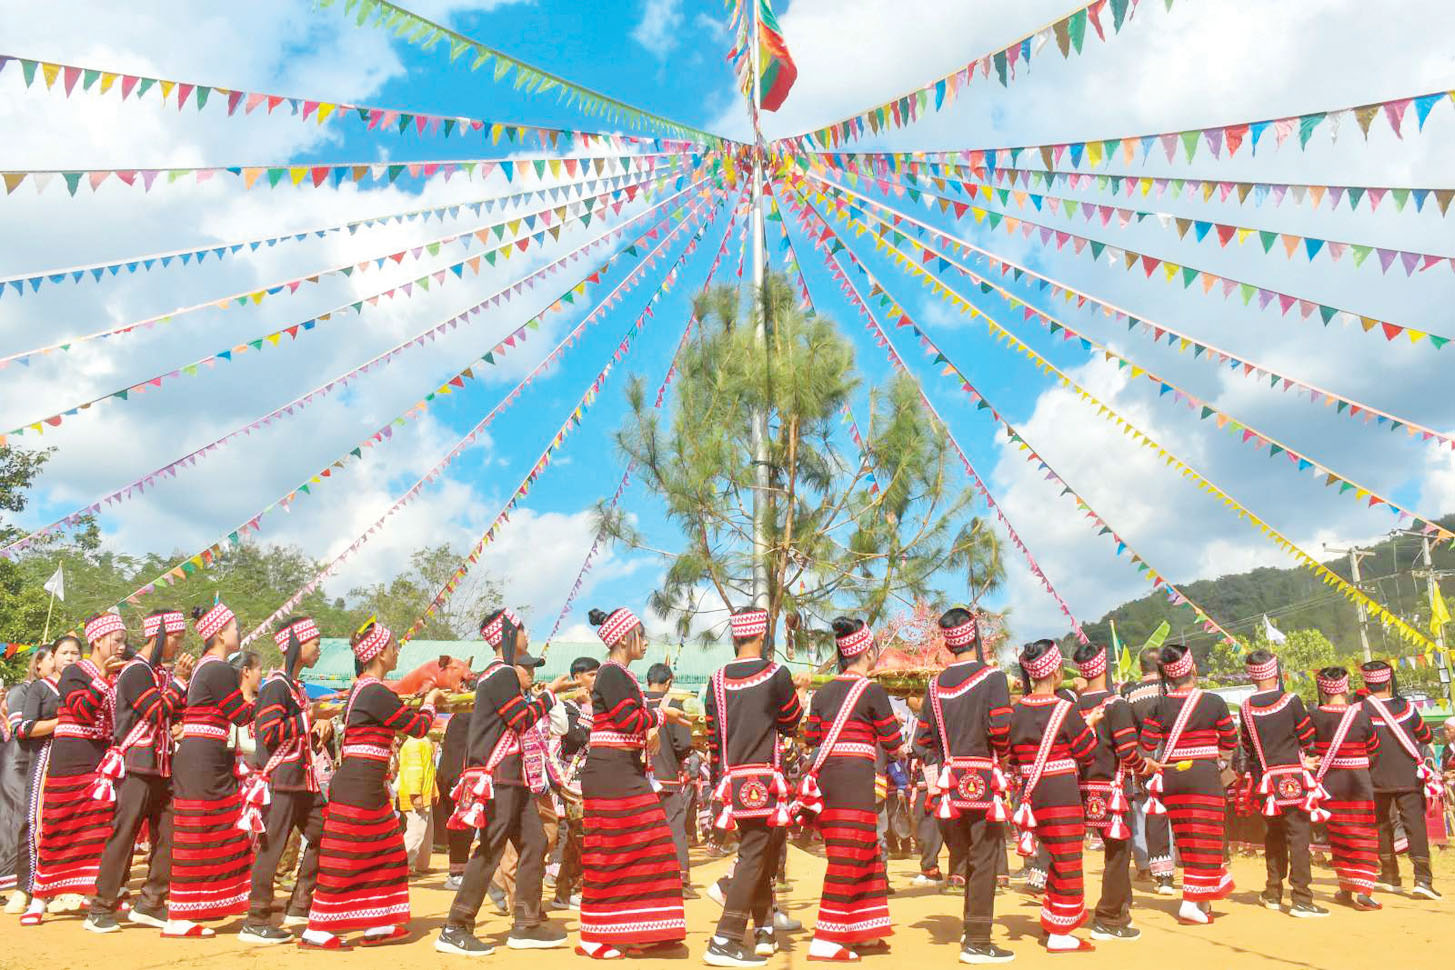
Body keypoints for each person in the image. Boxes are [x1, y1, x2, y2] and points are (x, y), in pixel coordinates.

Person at [302, 619, 443, 949]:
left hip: (364, 784)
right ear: (379, 654)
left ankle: (379, 922)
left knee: (387, 852)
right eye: (393, 647)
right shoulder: (375, 692)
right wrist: (431, 701)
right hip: (359, 786)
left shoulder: (366, 690)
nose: (397, 652)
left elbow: (396, 713)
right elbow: (417, 727)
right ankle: (318, 928)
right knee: (345, 856)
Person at [436, 608, 569, 956]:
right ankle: (455, 925)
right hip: (500, 775)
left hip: (512, 775)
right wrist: (550, 695)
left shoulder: (501, 675)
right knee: (491, 848)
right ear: (509, 635)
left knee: (535, 842)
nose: (527, 637)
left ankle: (526, 922)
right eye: (522, 631)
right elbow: (520, 719)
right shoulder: (502, 673)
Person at [578, 606, 689, 960]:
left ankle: (649, 929)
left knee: (652, 846)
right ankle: (594, 934)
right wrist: (662, 715)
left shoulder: (620, 675)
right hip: (611, 775)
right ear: (625, 638)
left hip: (622, 771)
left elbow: (629, 721)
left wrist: (650, 727)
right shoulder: (611, 673)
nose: (646, 642)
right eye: (642, 635)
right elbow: (628, 720)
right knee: (612, 851)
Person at [703, 607, 802, 968]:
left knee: (757, 850)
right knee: (755, 854)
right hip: (764, 778)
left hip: (732, 780)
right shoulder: (776, 674)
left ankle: (763, 930)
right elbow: (791, 721)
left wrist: (719, 782)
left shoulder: (717, 679)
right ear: (761, 635)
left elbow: (714, 737)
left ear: (735, 636)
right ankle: (725, 938)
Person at [798, 617, 900, 961]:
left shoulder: (824, 692)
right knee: (850, 855)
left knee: (864, 851)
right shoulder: (871, 691)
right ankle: (826, 939)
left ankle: (863, 930)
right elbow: (893, 741)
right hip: (855, 781)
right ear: (868, 652)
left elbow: (811, 737)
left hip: (830, 780)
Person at [915, 608, 1014, 964]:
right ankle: (977, 940)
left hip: (949, 785)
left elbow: (923, 739)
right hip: (983, 781)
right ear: (975, 637)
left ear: (948, 643)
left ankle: (973, 928)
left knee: (966, 856)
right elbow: (1001, 730)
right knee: (984, 858)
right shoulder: (992, 678)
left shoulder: (934, 686)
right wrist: (1002, 758)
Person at [85, 609, 193, 933]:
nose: (178, 645)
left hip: (161, 766)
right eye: (175, 638)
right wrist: (181, 681)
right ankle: (100, 908)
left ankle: (151, 902)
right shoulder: (135, 671)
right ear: (158, 636)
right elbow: (156, 711)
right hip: (136, 765)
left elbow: (175, 711)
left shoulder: (159, 673)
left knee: (170, 834)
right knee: (124, 836)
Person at [163, 602, 258, 938]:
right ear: (219, 633)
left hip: (205, 757)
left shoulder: (208, 667)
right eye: (235, 628)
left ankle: (202, 904)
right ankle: (180, 914)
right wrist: (274, 701)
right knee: (199, 831)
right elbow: (241, 714)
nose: (239, 633)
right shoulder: (217, 669)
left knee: (215, 828)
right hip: (203, 760)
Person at [26, 614, 126, 926]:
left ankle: (91, 893)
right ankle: (39, 898)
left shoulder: (118, 675)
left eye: (124, 641)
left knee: (97, 832)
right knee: (58, 828)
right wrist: (102, 678)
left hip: (101, 762)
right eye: (117, 640)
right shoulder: (74, 672)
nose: (122, 647)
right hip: (70, 761)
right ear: (98, 641)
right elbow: (82, 710)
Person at [239, 617, 328, 944]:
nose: (319, 649)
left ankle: (300, 902)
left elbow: (293, 732)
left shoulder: (295, 688)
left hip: (303, 782)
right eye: (315, 643)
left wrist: (315, 728)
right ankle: (256, 919)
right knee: (271, 849)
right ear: (296, 645)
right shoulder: (276, 687)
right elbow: (269, 733)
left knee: (327, 834)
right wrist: (310, 717)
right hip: (281, 781)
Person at [1007, 641, 1098, 954]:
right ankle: (1061, 931)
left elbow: (1010, 756)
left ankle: (1053, 919)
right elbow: (1087, 752)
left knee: (1049, 856)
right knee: (1066, 859)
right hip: (1061, 792)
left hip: (1031, 794)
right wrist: (1090, 725)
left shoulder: (1016, 711)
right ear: (1057, 671)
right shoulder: (1065, 709)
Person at [1138, 643, 1237, 925]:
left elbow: (1146, 745)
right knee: (1206, 840)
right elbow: (1230, 740)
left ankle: (1202, 900)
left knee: (1187, 839)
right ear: (1192, 668)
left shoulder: (1159, 705)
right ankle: (1191, 902)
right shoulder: (1213, 702)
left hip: (1174, 778)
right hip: (1203, 775)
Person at [1238, 649, 1325, 918]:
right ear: (1275, 672)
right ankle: (1301, 898)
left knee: (1273, 835)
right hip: (1294, 777)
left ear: (1252, 675)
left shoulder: (1246, 707)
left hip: (1266, 781)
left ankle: (1273, 892)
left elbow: (1247, 747)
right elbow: (1308, 737)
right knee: (1298, 837)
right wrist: (1307, 757)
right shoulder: (1291, 701)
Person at [1070, 642, 1147, 941]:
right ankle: (1110, 918)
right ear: (1104, 667)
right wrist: (1145, 766)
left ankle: (1117, 908)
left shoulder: (1073, 707)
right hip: (1112, 791)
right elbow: (1127, 751)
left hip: (1078, 789)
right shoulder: (1116, 704)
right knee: (1118, 854)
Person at [1359, 660, 1440, 899]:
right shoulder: (1406, 708)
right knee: (1414, 825)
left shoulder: (1360, 710)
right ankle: (1423, 880)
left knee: (1381, 824)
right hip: (1408, 777)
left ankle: (1390, 875)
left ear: (1366, 684)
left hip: (1374, 776)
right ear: (1388, 682)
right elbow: (1425, 735)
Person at [10, 639, 78, 918]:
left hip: (76, 761)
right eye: (64, 653)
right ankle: (25, 887)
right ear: (53, 656)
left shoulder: (84, 687)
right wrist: (63, 720)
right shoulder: (41, 688)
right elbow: (25, 728)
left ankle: (63, 887)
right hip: (45, 759)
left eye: (75, 653)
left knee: (69, 822)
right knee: (35, 820)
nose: (70, 658)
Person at [1307, 666, 1382, 910]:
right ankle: (1364, 891)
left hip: (1329, 783)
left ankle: (1346, 888)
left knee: (1340, 834)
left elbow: (1307, 746)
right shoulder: (1361, 716)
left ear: (1323, 690)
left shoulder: (1314, 717)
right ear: (1346, 687)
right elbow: (1374, 747)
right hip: (1358, 782)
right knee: (1363, 833)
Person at [1124, 647, 1174, 894]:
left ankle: (1145, 865)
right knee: (1168, 812)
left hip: (1141, 758)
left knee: (1143, 811)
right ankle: (1169, 868)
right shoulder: (1169, 690)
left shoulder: (1130, 695)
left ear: (1141, 666)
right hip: (1171, 756)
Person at [550, 656, 597, 911]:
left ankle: (565, 892)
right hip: (573, 784)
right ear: (577, 678)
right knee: (580, 836)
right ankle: (573, 889)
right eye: (591, 675)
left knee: (578, 838)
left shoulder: (597, 705)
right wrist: (588, 709)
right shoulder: (566, 706)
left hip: (592, 780)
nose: (596, 680)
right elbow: (575, 738)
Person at [644, 662, 694, 886]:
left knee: (643, 828)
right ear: (669, 683)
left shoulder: (637, 704)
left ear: (648, 681)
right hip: (667, 777)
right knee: (674, 827)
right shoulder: (673, 704)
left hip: (641, 779)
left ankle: (645, 877)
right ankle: (680, 878)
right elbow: (683, 744)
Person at [398, 732, 438, 874]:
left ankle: (422, 865)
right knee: (416, 832)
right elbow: (414, 771)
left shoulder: (422, 742)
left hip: (423, 793)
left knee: (426, 832)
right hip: (415, 794)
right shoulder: (415, 743)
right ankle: (402, 866)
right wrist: (415, 794)